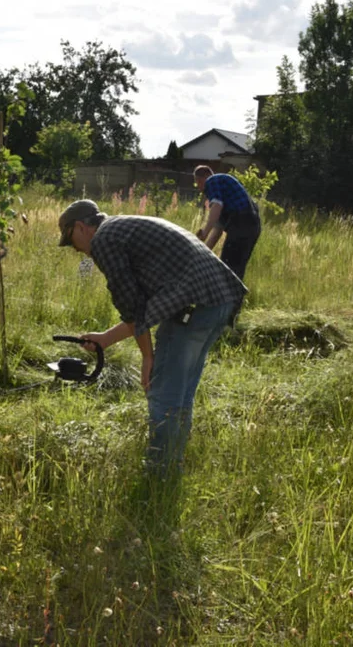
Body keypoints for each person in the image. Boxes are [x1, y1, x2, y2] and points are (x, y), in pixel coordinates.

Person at [58, 199, 247, 476]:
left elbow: (132, 307)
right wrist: (106, 338)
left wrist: (148, 357)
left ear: (81, 227)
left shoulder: (104, 240)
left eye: (70, 239)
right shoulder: (123, 227)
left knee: (164, 394)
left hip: (193, 306)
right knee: (180, 393)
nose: (75, 248)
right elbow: (142, 308)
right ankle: (173, 465)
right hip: (218, 301)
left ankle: (160, 474)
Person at [193, 165, 262, 281]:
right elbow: (217, 231)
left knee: (227, 269)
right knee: (235, 270)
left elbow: (216, 205)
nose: (199, 188)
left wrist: (204, 233)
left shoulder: (212, 180)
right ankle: (234, 298)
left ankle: (226, 298)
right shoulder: (224, 191)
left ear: (200, 179)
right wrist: (202, 253)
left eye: (197, 183)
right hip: (252, 227)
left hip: (241, 223)